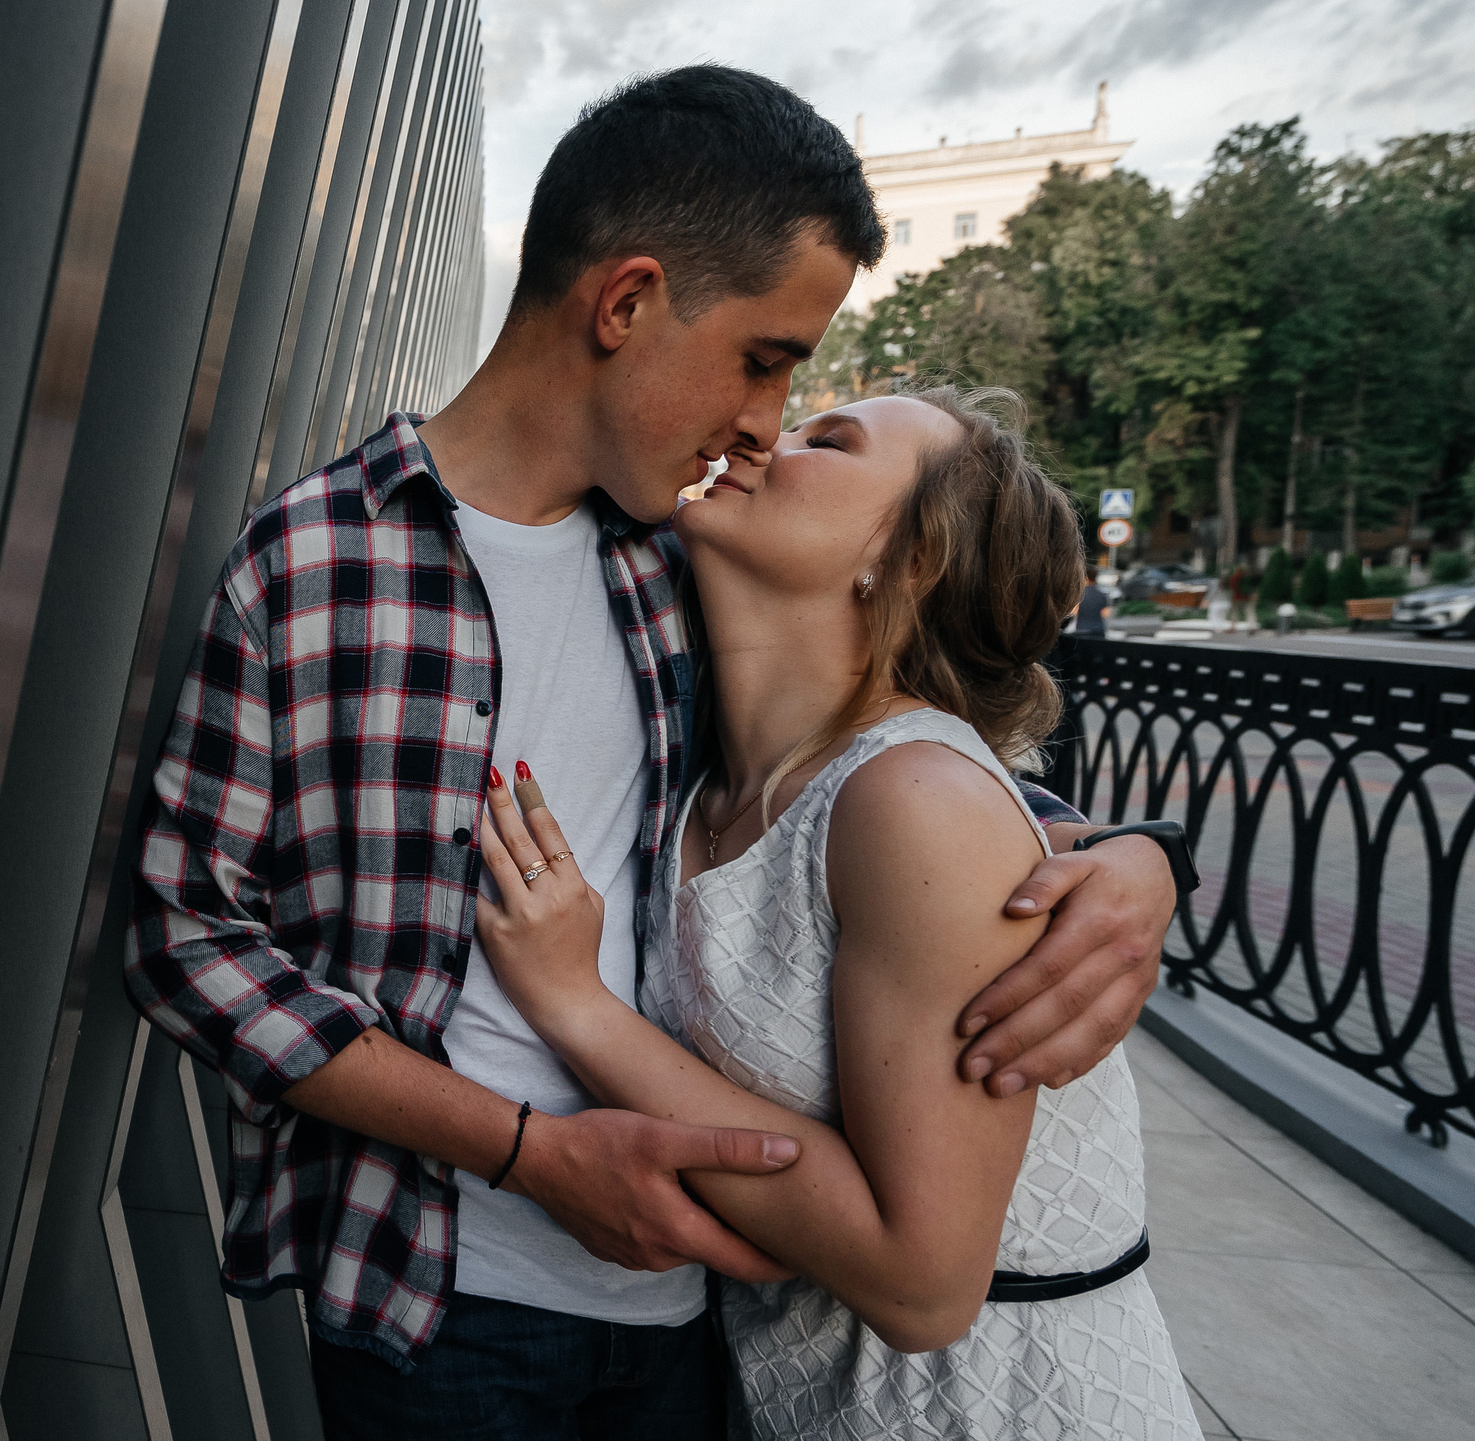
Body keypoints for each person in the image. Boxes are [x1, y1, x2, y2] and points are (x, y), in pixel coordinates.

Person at [125, 66, 1179, 1439]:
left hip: (700, 1321)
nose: (763, 424)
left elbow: (883, 757)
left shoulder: (676, 573)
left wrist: (1133, 862)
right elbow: (184, 935)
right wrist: (530, 1153)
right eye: (765, 360)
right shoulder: (314, 563)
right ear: (624, 303)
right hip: (432, 1303)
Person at [475, 386, 1199, 1438]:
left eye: (831, 439)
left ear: (909, 562)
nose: (770, 433)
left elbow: (924, 1282)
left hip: (995, 1405)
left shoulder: (916, 800)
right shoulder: (700, 780)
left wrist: (579, 1009)